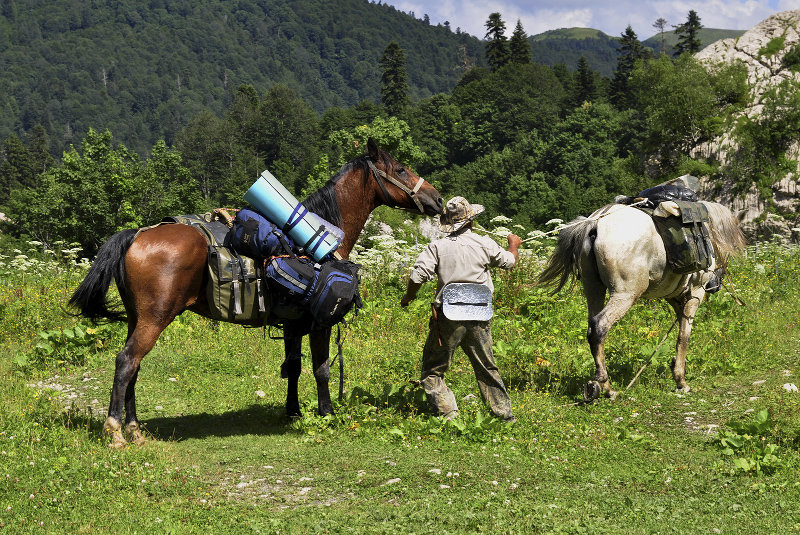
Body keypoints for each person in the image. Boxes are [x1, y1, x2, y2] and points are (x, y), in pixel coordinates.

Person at [400, 196, 521, 422]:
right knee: (486, 366)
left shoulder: (437, 247)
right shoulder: (484, 243)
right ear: (471, 221)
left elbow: (418, 276)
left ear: (448, 223)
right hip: (479, 314)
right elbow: (509, 262)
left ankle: (448, 414)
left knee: (433, 369)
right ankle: (504, 415)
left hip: (448, 316)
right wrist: (513, 245)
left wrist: (408, 297)